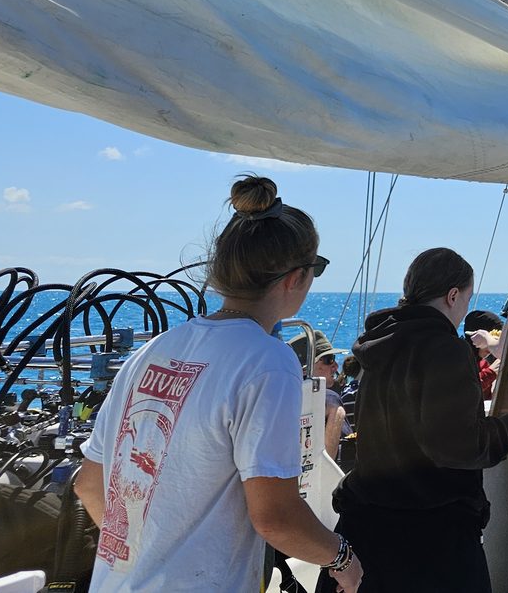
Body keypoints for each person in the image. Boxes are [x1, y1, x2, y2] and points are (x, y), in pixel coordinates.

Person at [75, 176, 363, 593]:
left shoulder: (153, 349)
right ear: (295, 278)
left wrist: (149, 554)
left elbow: (89, 484)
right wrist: (343, 557)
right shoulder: (269, 361)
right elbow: (275, 517)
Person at [332, 247, 508, 592]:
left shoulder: (377, 345)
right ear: (452, 296)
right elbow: (455, 444)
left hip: (369, 527)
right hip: (431, 541)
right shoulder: (444, 348)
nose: (464, 310)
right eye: (465, 299)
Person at [289, 328, 347, 460]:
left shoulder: (286, 401)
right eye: (328, 360)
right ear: (305, 369)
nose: (336, 366)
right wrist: (337, 411)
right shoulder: (331, 399)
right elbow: (326, 462)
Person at [463, 309, 505, 397]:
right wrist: (491, 372)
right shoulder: (459, 359)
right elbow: (463, 391)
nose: (493, 345)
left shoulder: (485, 362)